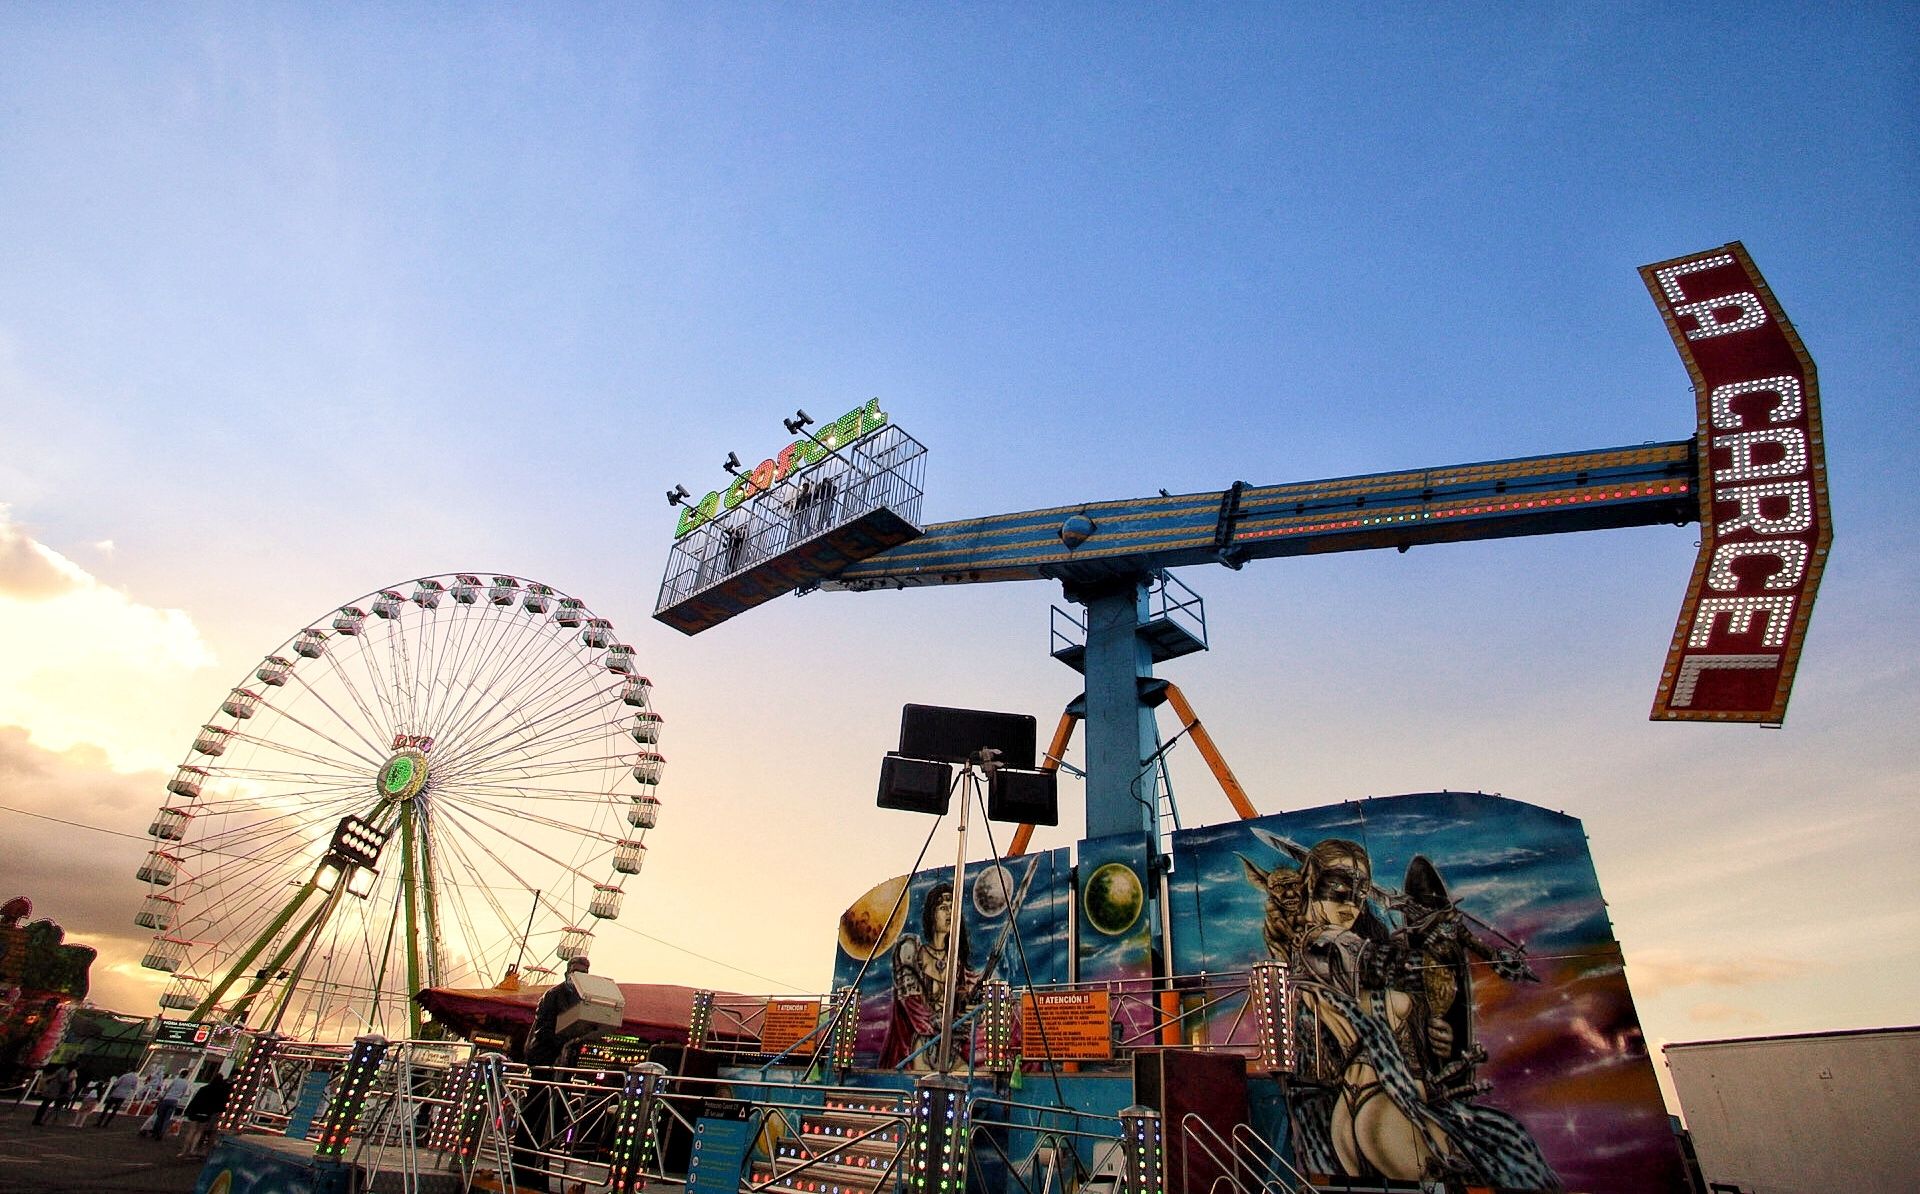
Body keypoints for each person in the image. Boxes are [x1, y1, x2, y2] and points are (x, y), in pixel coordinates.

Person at [1242, 836, 1560, 1189]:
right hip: (1382, 1100)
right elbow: (1398, 966)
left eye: (1360, 892)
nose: (1352, 903)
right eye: (1339, 889)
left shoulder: (1318, 952)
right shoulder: (1328, 943)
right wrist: (1439, 941)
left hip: (1352, 1109)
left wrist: (1429, 1021)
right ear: (1313, 885)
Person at [881, 883, 981, 1070]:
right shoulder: (912, 951)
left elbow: (965, 1010)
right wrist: (945, 1023)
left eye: (953, 908)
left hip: (949, 1048)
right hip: (921, 1046)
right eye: (943, 908)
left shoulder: (958, 965)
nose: (950, 913)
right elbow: (912, 1005)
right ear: (931, 914)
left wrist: (970, 1015)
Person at [517, 955, 592, 1193]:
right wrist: (564, 1041)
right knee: (536, 1113)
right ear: (567, 971)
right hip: (545, 1061)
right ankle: (522, 1165)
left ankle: (541, 1165)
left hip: (563, 1066)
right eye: (577, 970)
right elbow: (545, 1028)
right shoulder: (554, 995)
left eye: (584, 971)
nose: (580, 975)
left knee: (554, 1117)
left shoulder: (580, 997)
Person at [177, 1069, 232, 1159]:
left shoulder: (203, 1089)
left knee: (191, 1131)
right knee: (199, 1132)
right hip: (206, 1113)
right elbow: (220, 1104)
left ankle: (184, 1151)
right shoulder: (219, 1092)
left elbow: (194, 1100)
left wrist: (187, 1111)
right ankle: (192, 1150)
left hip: (196, 1111)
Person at [142, 1068, 193, 1140]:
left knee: (160, 1117)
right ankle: (161, 1133)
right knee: (167, 1118)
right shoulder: (186, 1083)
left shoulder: (175, 1080)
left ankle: (155, 1132)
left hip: (167, 1099)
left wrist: (162, 1097)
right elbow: (184, 1093)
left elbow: (168, 1089)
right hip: (175, 1101)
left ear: (180, 1074)